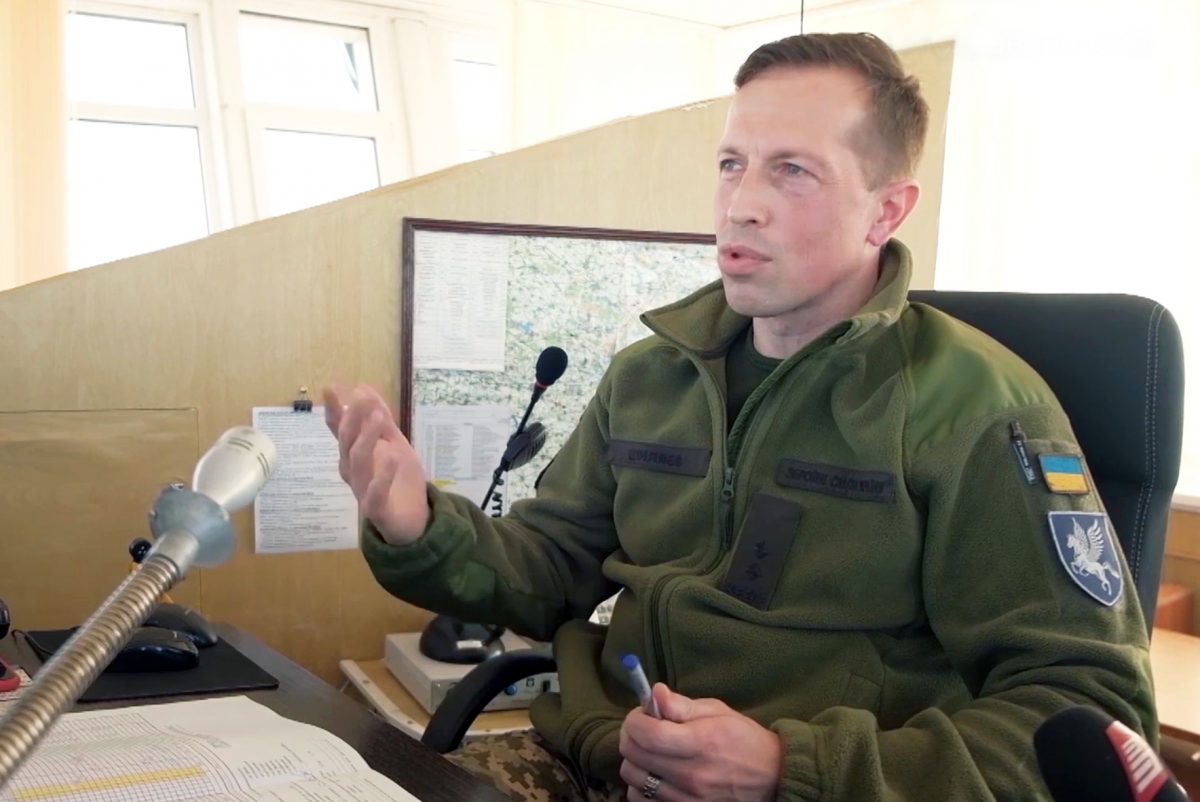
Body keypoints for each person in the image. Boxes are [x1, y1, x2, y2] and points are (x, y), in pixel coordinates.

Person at [324, 32, 1155, 802]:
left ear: (887, 211)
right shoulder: (651, 376)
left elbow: (1090, 707)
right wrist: (416, 524)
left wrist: (792, 768)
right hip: (603, 760)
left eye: (792, 170)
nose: (741, 204)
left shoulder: (979, 409)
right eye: (732, 164)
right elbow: (551, 570)